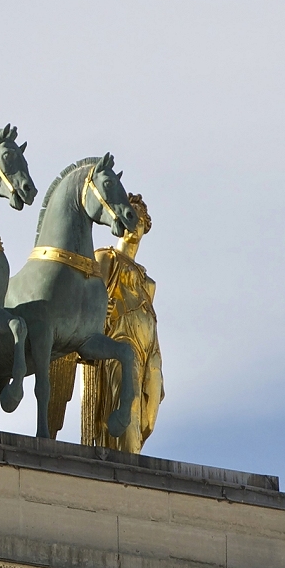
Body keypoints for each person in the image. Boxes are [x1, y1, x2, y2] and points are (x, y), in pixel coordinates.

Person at [80, 193, 165, 453]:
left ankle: (130, 457)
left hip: (150, 349)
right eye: (131, 218)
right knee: (128, 408)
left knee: (149, 415)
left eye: (140, 221)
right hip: (119, 342)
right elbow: (92, 302)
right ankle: (125, 466)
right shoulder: (106, 258)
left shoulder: (147, 280)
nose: (135, 225)